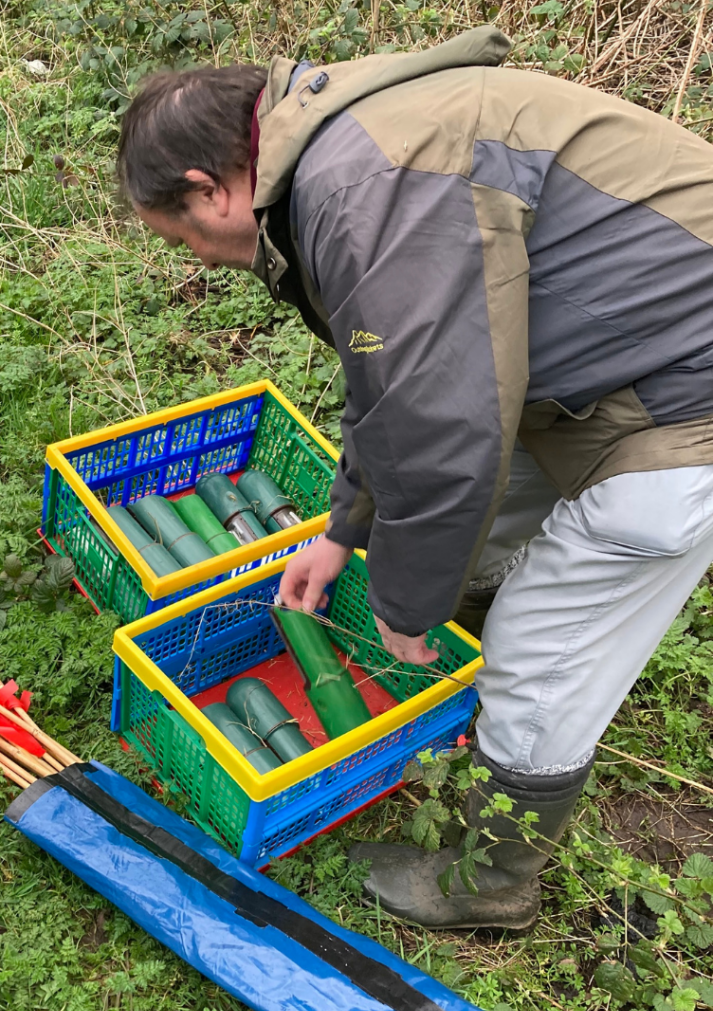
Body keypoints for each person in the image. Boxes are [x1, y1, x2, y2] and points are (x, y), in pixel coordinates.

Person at [116, 26, 713, 930]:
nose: (198, 259)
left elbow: (443, 426)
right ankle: (458, 686)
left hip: (683, 407)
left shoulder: (369, 186)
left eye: (185, 236)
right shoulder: (347, 149)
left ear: (211, 187)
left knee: (542, 655)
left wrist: (402, 601)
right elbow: (396, 380)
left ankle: (493, 881)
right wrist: (341, 531)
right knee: (475, 535)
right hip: (612, 368)